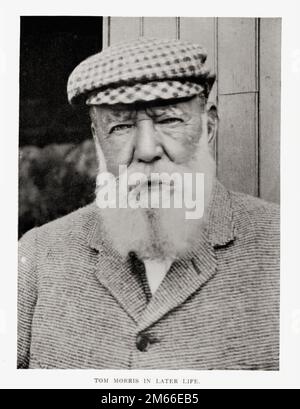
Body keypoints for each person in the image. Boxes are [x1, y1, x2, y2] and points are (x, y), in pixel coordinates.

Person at [18, 37, 279, 370]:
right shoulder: (39, 256)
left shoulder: (283, 244)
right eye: (121, 126)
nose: (146, 150)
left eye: (168, 120)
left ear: (208, 127)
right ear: (98, 140)